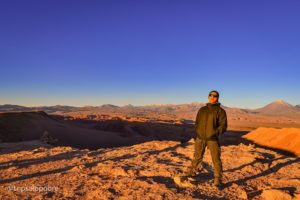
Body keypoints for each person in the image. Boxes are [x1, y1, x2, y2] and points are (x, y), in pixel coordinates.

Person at [186, 90, 228, 187]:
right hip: (200, 138)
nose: (212, 97)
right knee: (197, 156)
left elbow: (223, 126)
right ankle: (192, 172)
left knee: (216, 158)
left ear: (218, 98)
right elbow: (197, 122)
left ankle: (218, 178)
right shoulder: (202, 109)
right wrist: (198, 131)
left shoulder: (221, 111)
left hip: (212, 139)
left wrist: (214, 133)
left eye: (215, 96)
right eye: (211, 95)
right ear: (208, 96)